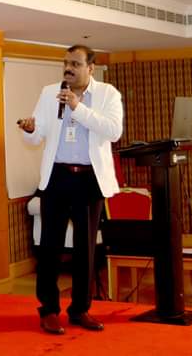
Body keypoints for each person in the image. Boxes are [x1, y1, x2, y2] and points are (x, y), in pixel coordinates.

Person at [17, 45, 123, 335]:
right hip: (57, 177)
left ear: (91, 68)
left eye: (75, 64)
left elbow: (113, 131)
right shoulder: (49, 92)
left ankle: (80, 310)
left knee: (85, 249)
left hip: (89, 179)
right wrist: (30, 130)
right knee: (49, 247)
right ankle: (49, 310)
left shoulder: (107, 94)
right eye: (66, 63)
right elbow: (37, 136)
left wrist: (78, 107)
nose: (68, 68)